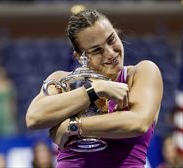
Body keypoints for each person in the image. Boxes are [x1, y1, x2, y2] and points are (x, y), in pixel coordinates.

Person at [26, 9, 163, 168]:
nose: (110, 53)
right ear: (79, 57)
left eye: (111, 39)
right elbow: (34, 117)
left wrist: (74, 126)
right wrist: (94, 90)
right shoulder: (62, 79)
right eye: (97, 50)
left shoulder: (143, 72)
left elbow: (138, 123)